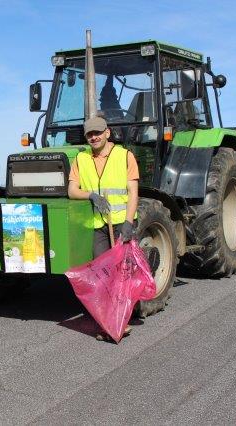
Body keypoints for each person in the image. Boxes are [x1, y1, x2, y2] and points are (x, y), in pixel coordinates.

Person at [67, 116, 139, 340]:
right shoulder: (81, 159)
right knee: (102, 275)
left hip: (120, 224)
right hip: (99, 225)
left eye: (97, 132)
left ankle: (120, 322)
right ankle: (107, 323)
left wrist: (128, 223)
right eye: (89, 134)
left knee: (121, 275)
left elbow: (133, 192)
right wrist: (91, 195)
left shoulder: (125, 156)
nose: (94, 137)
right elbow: (72, 190)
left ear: (107, 133)